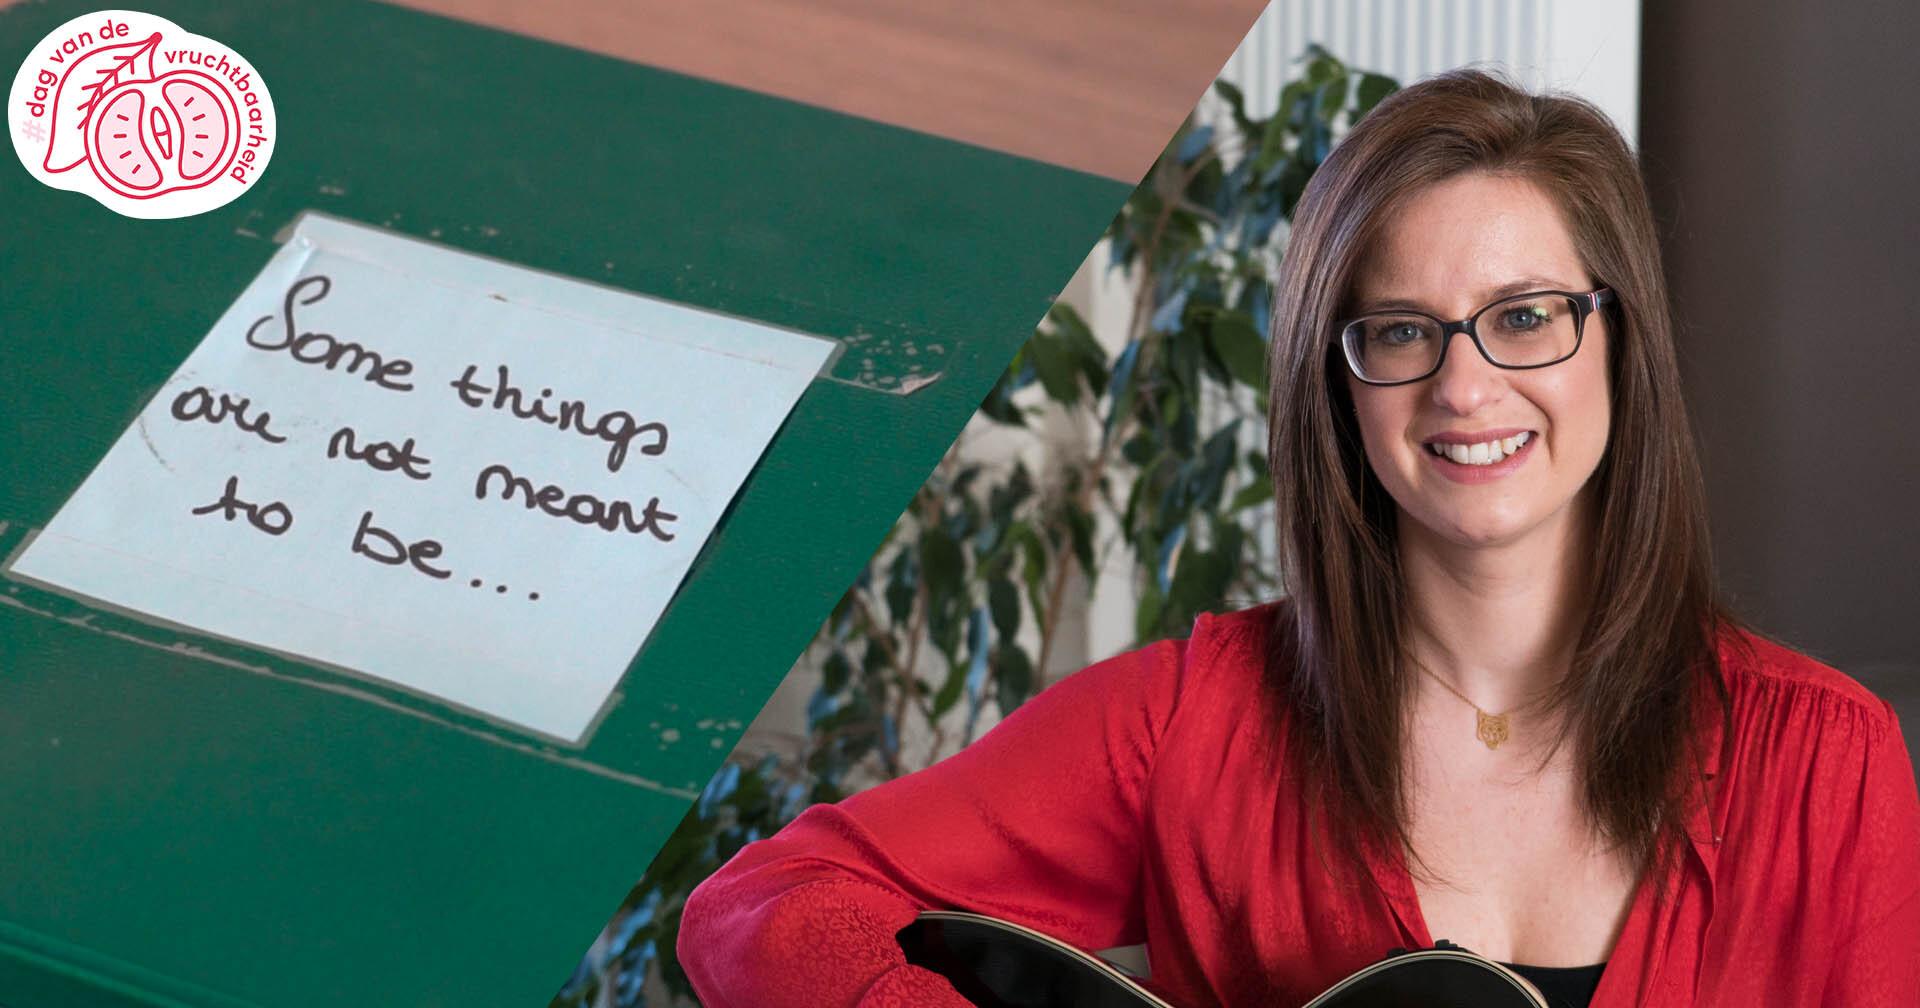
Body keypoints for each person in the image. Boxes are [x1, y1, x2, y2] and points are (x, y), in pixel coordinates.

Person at [676, 70, 1920, 1007]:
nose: (1465, 387)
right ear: (1338, 383)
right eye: (1398, 331)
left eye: (1526, 316)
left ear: (1620, 342)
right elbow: (757, 902)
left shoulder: (1827, 767)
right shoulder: (1191, 723)